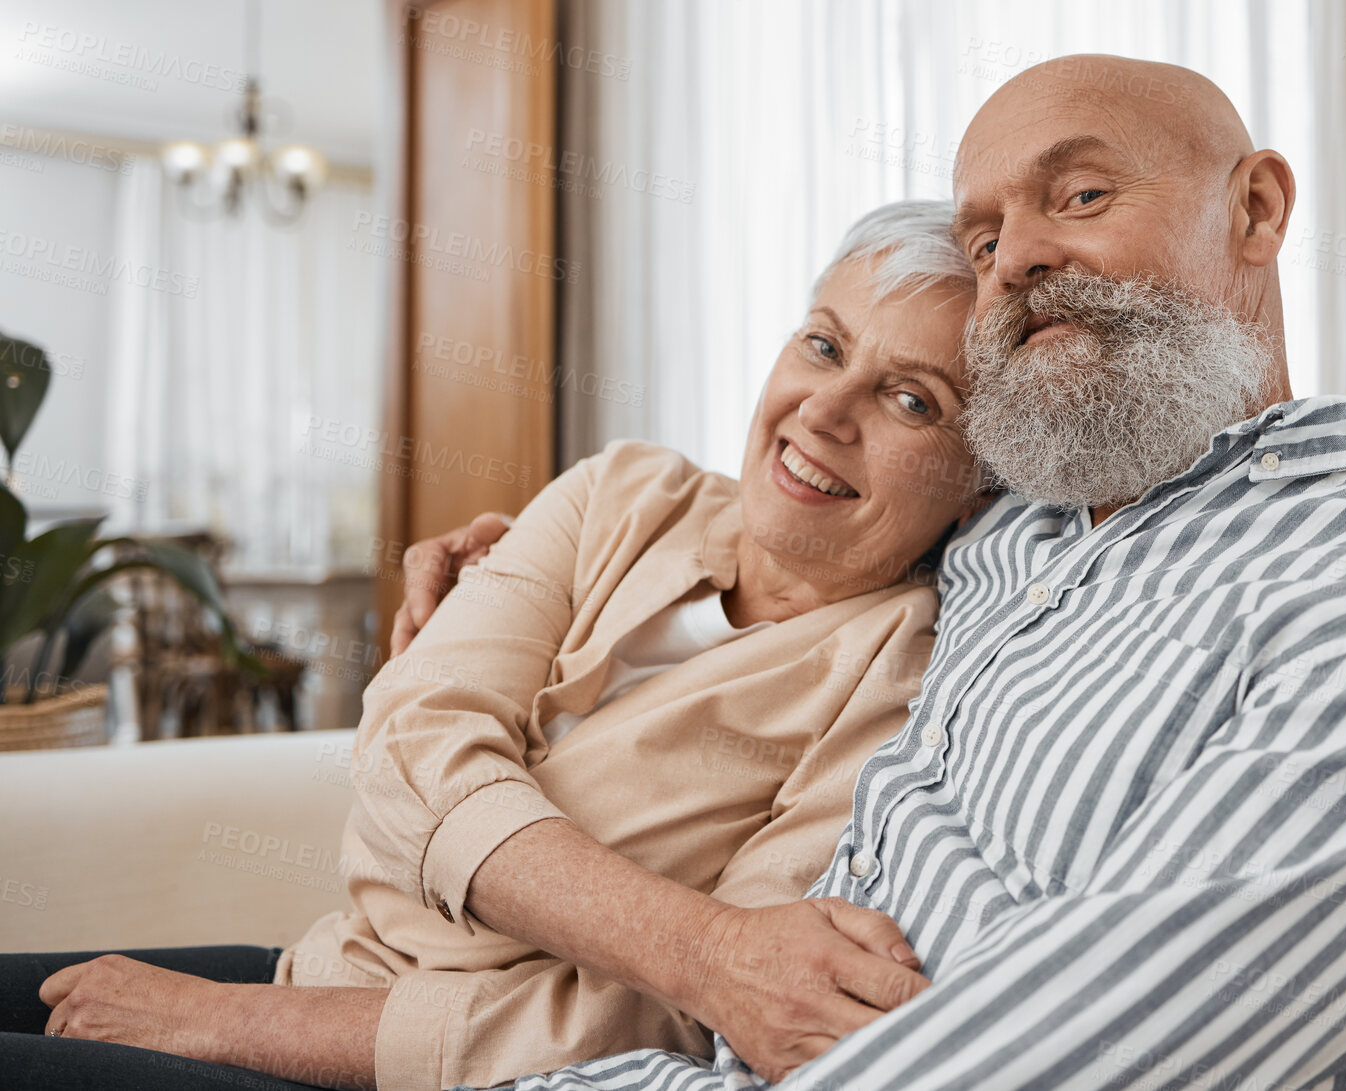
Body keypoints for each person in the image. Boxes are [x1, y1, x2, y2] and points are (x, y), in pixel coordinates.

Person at [425, 55, 1346, 1091]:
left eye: (1080, 195)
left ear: (1255, 208)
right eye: (985, 236)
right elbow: (827, 488)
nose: (1018, 258)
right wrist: (528, 564)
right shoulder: (1021, 527)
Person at [3, 201, 984, 1091]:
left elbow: (671, 1021)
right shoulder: (623, 490)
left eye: (910, 400)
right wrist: (706, 946)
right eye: (821, 344)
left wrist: (240, 1022)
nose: (822, 409)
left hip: (398, 1061)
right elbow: (405, 744)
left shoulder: (900, 680)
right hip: (323, 960)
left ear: (981, 484)